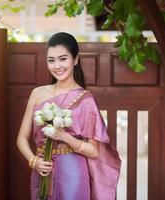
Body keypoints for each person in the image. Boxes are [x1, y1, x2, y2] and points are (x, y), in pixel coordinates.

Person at [16, 32, 121, 200]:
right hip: (42, 169)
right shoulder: (37, 94)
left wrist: (64, 136)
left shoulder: (86, 100)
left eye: (63, 59)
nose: (57, 66)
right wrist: (33, 161)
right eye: (51, 60)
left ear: (76, 59)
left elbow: (94, 151)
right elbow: (21, 138)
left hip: (73, 172)